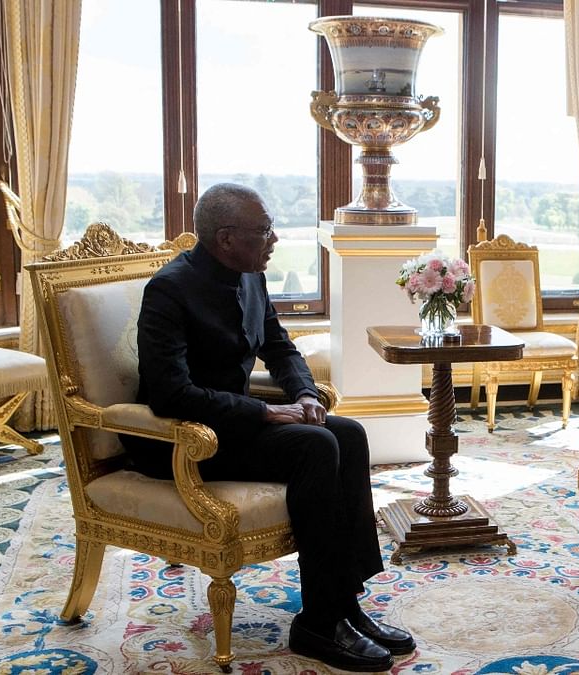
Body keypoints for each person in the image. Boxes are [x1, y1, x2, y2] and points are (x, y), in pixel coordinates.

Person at [124, 183, 413, 672]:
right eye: (264, 231)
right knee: (316, 446)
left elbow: (279, 347)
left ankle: (344, 601)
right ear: (226, 237)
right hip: (183, 439)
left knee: (348, 433)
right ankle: (318, 622)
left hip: (231, 425)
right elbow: (170, 393)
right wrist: (264, 412)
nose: (274, 239)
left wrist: (302, 394)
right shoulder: (170, 289)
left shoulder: (250, 275)